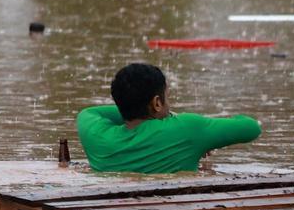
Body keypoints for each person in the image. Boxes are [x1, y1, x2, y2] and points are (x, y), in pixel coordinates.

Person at [76, 63, 261, 173]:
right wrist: (187, 128)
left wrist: (129, 107)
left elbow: (90, 112)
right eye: (168, 96)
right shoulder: (187, 129)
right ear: (157, 103)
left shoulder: (96, 135)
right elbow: (251, 127)